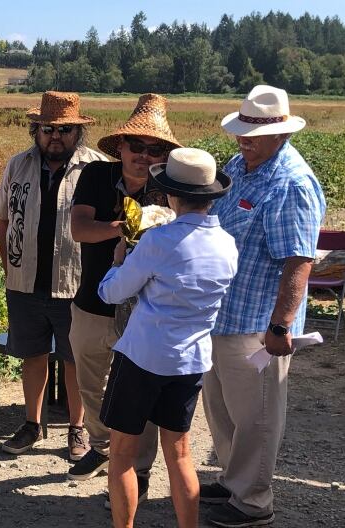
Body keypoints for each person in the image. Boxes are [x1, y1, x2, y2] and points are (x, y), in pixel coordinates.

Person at [201, 85, 326, 527]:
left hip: (256, 323)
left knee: (256, 415)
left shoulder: (291, 182)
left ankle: (254, 501)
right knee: (222, 408)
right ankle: (233, 481)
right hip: (222, 313)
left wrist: (281, 325)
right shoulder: (239, 166)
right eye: (242, 130)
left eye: (254, 132)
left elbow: (299, 259)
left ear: (281, 132)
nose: (244, 139)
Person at [98, 148, 238, 528]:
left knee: (123, 453)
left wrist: (117, 261)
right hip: (190, 360)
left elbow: (113, 292)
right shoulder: (227, 244)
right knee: (179, 454)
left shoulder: (158, 241)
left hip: (143, 356)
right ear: (211, 196)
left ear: (170, 195)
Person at [69, 94, 180, 487]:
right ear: (121, 146)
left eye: (155, 149)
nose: (144, 155)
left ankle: (139, 469)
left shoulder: (172, 191)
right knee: (90, 382)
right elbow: (79, 229)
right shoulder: (96, 176)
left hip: (146, 311)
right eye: (137, 145)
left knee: (139, 393)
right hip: (93, 302)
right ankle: (102, 447)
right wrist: (128, 229)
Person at [0, 91, 105, 460]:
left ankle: (77, 428)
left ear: (78, 131)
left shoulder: (98, 168)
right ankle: (31, 424)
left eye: (65, 129)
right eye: (47, 129)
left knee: (75, 359)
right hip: (25, 281)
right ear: (35, 129)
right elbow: (3, 218)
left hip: (76, 282)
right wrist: (9, 265)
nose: (55, 136)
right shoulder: (18, 165)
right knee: (32, 355)